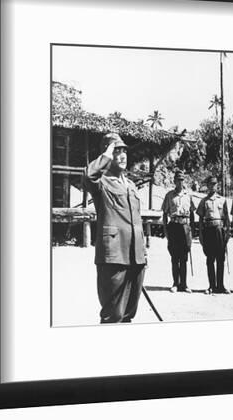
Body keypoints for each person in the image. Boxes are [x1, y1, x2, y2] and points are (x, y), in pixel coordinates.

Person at [82, 133, 147, 323]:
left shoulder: (132, 185)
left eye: (124, 150)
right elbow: (87, 175)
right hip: (114, 257)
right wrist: (106, 155)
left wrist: (142, 252)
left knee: (128, 314)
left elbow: (136, 220)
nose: (123, 155)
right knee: (113, 315)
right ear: (108, 154)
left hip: (136, 257)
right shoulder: (101, 183)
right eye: (117, 150)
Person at [162, 170, 195, 293]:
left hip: (185, 227)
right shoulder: (169, 195)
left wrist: (191, 230)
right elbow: (164, 214)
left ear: (184, 181)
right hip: (174, 226)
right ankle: (175, 283)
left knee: (184, 256)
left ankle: (184, 284)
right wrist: (166, 230)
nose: (180, 182)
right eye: (177, 180)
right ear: (174, 181)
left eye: (182, 180)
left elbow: (192, 214)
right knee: (175, 256)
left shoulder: (188, 195)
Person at [196, 176, 231, 294]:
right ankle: (211, 285)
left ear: (217, 185)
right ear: (208, 186)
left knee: (221, 258)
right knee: (210, 259)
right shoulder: (204, 201)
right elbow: (200, 219)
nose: (212, 186)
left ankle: (220, 286)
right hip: (208, 231)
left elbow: (227, 218)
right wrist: (200, 234)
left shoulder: (222, 200)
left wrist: (228, 232)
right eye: (210, 184)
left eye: (214, 184)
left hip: (220, 230)